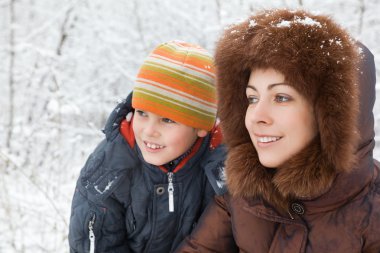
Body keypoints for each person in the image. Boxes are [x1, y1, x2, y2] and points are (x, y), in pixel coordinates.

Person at [175, 9, 380, 252]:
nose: (256, 117)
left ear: (333, 115)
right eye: (252, 99)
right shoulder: (243, 196)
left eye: (281, 97)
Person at [68, 40, 227, 253]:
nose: (149, 130)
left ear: (200, 126)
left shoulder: (223, 169)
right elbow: (95, 243)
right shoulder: (110, 167)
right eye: (142, 113)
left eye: (168, 120)